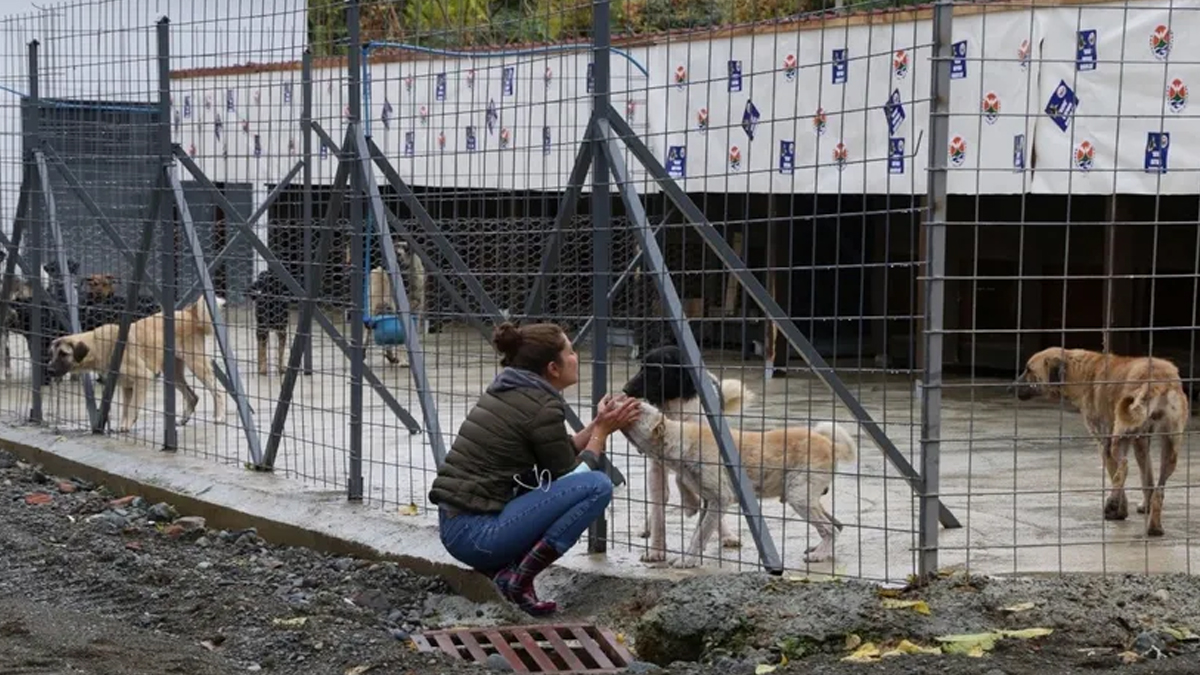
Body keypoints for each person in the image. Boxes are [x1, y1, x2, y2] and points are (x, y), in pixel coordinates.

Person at [428, 321, 641, 616]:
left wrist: (598, 422)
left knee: (583, 484)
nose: (576, 357)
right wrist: (601, 434)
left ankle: (510, 574)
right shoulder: (541, 405)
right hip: (477, 536)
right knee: (598, 486)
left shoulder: (514, 389)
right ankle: (518, 577)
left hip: (460, 528)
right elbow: (573, 476)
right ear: (553, 368)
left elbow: (559, 454)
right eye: (570, 352)